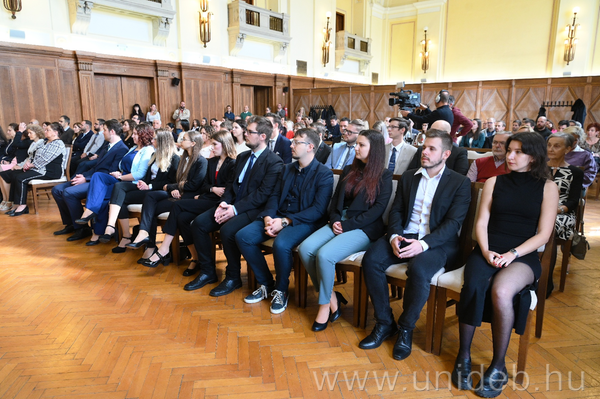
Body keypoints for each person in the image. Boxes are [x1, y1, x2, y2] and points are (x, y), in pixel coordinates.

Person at [452, 132, 558, 397]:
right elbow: (481, 222)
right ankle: (463, 356)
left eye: (518, 152)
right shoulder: (494, 182)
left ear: (533, 156)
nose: (509, 156)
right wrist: (486, 250)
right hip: (488, 248)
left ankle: (498, 365)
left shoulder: (547, 187)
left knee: (501, 291)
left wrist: (512, 253)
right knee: (474, 284)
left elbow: (544, 235)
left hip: (523, 254)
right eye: (509, 150)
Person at [359, 129, 470, 360]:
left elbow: (453, 224)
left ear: (446, 154)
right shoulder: (410, 176)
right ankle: (384, 322)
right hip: (405, 234)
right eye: (424, 147)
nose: (425, 152)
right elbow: (397, 210)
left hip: (437, 243)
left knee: (419, 270)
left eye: (432, 149)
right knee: (371, 260)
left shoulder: (460, 183)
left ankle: (406, 328)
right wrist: (394, 236)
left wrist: (424, 245)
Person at [299, 130, 392, 330]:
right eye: (356, 144)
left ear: (374, 150)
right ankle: (332, 296)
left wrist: (347, 225)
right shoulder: (349, 169)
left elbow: (377, 211)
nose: (356, 148)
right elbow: (335, 201)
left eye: (361, 145)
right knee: (305, 249)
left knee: (324, 255)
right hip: (339, 221)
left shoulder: (384, 175)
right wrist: (334, 219)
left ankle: (324, 306)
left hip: (364, 228)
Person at [183, 116, 283, 296]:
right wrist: (224, 203)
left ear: (262, 136)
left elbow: (262, 194)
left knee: (227, 231)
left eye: (249, 132)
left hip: (253, 209)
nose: (245, 133)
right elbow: (232, 185)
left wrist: (234, 209)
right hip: (232, 204)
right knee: (198, 224)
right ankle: (207, 272)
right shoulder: (243, 156)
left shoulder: (274, 162)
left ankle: (233, 277)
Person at [236, 128, 333, 315]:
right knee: (243, 236)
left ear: (310, 147)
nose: (291, 145)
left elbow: (318, 210)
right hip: (278, 216)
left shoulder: (324, 173)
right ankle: (266, 283)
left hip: (304, 221)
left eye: (296, 142)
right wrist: (268, 217)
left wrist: (286, 221)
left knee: (281, 244)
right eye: (292, 141)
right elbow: (274, 195)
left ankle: (281, 290)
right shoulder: (287, 168)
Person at [141, 130, 237, 273]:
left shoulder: (232, 164)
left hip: (219, 204)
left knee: (178, 205)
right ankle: (195, 257)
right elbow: (205, 186)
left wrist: (211, 191)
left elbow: (228, 190)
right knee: (182, 218)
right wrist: (212, 189)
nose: (211, 147)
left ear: (224, 145)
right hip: (208, 198)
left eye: (215, 144)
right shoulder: (212, 162)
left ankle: (164, 248)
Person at [127, 130, 208, 263]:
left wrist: (173, 188)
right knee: (151, 207)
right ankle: (150, 243)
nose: (181, 141)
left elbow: (193, 185)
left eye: (184, 139)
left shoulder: (201, 161)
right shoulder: (183, 158)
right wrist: (175, 188)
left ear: (193, 143)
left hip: (188, 198)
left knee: (153, 201)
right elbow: (178, 181)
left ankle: (159, 247)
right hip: (179, 194)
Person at [75, 123, 155, 245]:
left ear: (143, 135)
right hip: (122, 180)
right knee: (98, 176)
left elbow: (139, 174)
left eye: (135, 134)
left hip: (133, 184)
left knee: (103, 197)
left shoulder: (147, 150)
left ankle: (98, 229)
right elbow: (123, 165)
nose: (132, 136)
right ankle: (96, 220)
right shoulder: (133, 148)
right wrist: (119, 172)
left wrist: (121, 176)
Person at [103, 129, 179, 255]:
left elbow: (170, 182)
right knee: (119, 188)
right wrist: (142, 182)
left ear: (162, 141)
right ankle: (115, 228)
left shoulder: (174, 158)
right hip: (148, 188)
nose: (152, 141)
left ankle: (133, 238)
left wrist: (148, 186)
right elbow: (148, 176)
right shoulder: (155, 155)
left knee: (122, 198)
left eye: (155, 139)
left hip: (159, 192)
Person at [52, 120, 129, 242]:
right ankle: (71, 224)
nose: (103, 133)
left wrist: (86, 179)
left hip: (103, 183)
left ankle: (81, 228)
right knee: (57, 189)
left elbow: (111, 172)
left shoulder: (122, 149)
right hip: (92, 177)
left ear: (112, 131)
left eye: (105, 130)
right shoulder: (106, 146)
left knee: (68, 192)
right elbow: (96, 167)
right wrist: (82, 176)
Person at [0, 123, 66, 216]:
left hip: (50, 171)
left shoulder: (58, 143)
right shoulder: (45, 142)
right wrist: (29, 161)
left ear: (55, 132)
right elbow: (36, 155)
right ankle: (16, 204)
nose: (45, 131)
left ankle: (22, 206)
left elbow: (45, 158)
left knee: (20, 178)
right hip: (40, 168)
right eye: (45, 130)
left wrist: (31, 165)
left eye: (48, 130)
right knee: (15, 175)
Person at [546, 132, 584, 295]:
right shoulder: (538, 168)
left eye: (557, 146)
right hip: (538, 209)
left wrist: (557, 209)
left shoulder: (575, 172)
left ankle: (546, 282)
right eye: (549, 145)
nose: (551, 149)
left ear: (568, 149)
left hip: (562, 213)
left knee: (550, 225)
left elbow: (574, 201)